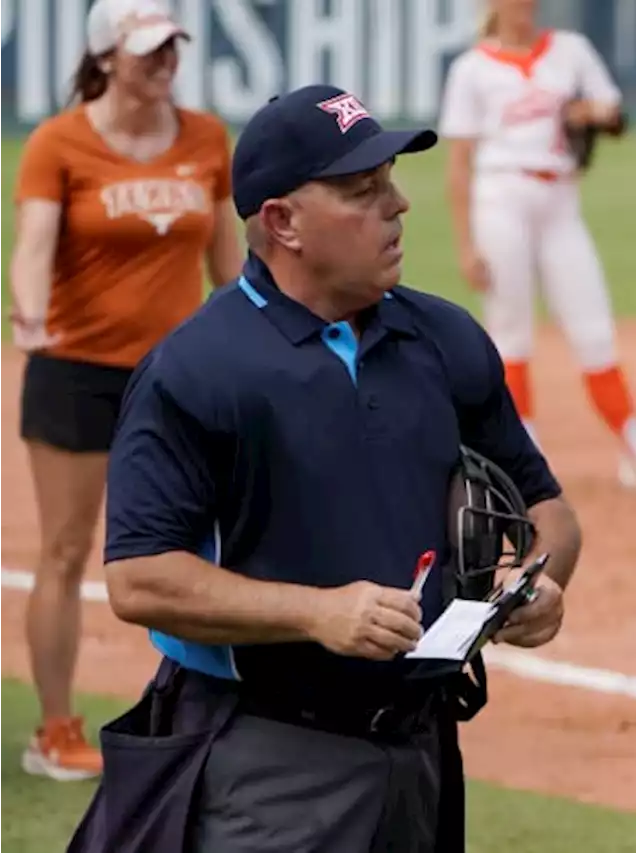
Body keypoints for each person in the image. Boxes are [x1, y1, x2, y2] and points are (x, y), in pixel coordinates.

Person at [67, 84, 582, 853]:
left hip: (422, 747)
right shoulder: (199, 369)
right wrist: (315, 611)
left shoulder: (444, 339)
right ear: (283, 222)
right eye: (363, 190)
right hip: (268, 759)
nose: (398, 204)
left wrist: (544, 584)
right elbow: (139, 578)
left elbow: (549, 509)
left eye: (391, 181)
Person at [8, 0, 241, 781]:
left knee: (197, 546)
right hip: (74, 371)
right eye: (147, 50)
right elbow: (35, 242)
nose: (163, 61)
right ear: (107, 57)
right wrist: (29, 310)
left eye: (171, 46)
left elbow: (228, 265)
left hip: (175, 377)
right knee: (68, 548)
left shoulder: (207, 137)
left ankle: (204, 709)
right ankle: (55, 727)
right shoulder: (59, 141)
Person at [437, 0, 636, 487]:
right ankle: (523, 457)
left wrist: (591, 111)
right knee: (511, 333)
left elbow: (614, 114)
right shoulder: (472, 69)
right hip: (501, 199)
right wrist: (465, 244)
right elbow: (458, 163)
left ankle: (635, 446)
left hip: (560, 199)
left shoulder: (569, 51)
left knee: (592, 324)